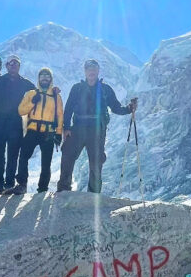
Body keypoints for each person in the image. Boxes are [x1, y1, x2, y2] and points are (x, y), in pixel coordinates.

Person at [57, 59, 137, 193]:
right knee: (67, 156)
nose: (91, 71)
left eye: (94, 69)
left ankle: (93, 194)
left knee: (96, 162)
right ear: (85, 71)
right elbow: (68, 108)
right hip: (78, 128)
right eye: (89, 69)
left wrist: (129, 109)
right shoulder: (77, 88)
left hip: (97, 130)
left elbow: (116, 108)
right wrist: (66, 127)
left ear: (98, 71)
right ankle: (64, 189)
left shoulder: (106, 89)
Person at [4, 67, 64, 195]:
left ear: (51, 79)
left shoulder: (55, 96)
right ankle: (22, 184)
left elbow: (60, 116)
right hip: (32, 131)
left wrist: (59, 133)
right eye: (42, 76)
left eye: (47, 76)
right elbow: (21, 111)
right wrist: (32, 102)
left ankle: (42, 189)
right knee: (24, 156)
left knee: (46, 162)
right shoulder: (31, 94)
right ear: (39, 79)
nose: (44, 78)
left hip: (48, 132)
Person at [0, 54, 34, 195]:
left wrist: (53, 90)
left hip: (15, 124)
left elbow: (38, 92)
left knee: (13, 155)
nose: (13, 65)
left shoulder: (25, 83)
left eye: (16, 63)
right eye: (10, 63)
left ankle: (9, 184)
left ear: (19, 66)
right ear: (6, 66)